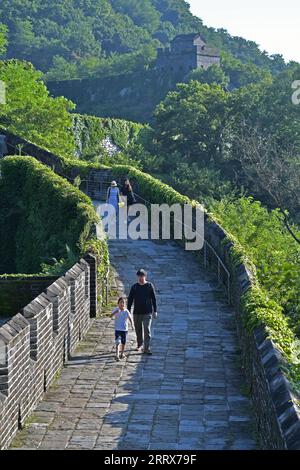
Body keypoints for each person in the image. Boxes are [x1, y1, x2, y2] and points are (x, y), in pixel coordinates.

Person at [127, 269, 158, 355]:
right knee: (138, 330)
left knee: (147, 330)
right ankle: (139, 344)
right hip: (137, 312)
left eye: (142, 276)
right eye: (139, 276)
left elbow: (154, 299)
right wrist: (128, 311)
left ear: (145, 276)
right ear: (137, 277)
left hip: (147, 312)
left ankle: (147, 348)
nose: (141, 278)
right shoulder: (135, 287)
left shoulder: (149, 286)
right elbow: (130, 300)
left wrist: (155, 310)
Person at [112, 297, 134, 361]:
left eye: (123, 302)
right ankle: (117, 355)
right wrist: (115, 312)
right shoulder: (116, 309)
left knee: (123, 342)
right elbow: (110, 315)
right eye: (120, 302)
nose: (122, 304)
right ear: (118, 303)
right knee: (117, 342)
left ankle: (122, 353)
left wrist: (132, 325)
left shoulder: (126, 311)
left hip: (124, 329)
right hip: (117, 329)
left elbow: (130, 318)